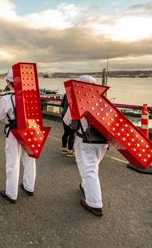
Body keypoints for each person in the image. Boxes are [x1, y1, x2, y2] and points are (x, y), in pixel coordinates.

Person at [63, 75, 108, 217]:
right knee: (94, 166)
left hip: (85, 141)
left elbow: (67, 120)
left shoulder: (78, 101)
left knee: (89, 170)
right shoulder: (103, 100)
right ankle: (85, 186)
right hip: (103, 141)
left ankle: (94, 203)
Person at [0, 70, 36, 204]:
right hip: (30, 130)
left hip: (14, 132)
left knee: (12, 162)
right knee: (30, 159)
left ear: (9, 82)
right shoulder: (30, 95)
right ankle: (29, 186)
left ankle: (11, 193)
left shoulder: (6, 99)